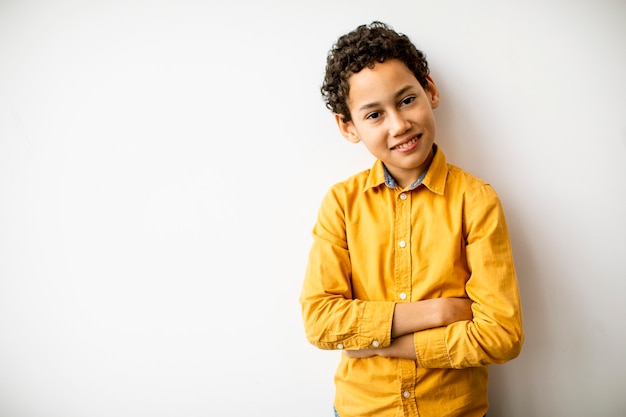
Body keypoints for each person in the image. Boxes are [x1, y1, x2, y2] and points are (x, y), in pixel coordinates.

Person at [299, 21, 524, 417]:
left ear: (430, 90)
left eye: (406, 100)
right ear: (347, 126)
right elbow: (320, 321)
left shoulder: (476, 201)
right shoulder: (341, 204)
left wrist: (380, 341)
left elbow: (502, 335)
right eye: (373, 115)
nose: (399, 125)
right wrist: (437, 313)